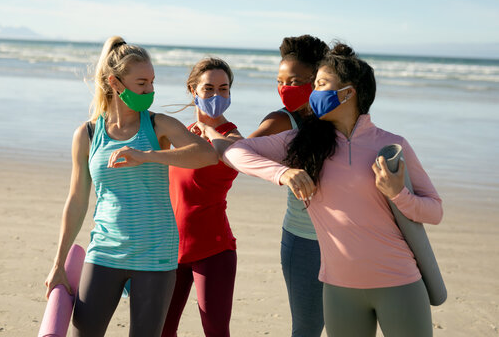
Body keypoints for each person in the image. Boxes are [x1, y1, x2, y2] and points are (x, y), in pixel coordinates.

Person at [223, 43, 443, 337]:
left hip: (398, 281)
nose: (314, 93)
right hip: (339, 289)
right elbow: (236, 152)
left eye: (321, 85)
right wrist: (283, 172)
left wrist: (397, 193)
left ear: (348, 93)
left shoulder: (391, 144)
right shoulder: (301, 144)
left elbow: (435, 211)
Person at [44, 36, 218, 337]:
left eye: (152, 82)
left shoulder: (159, 125)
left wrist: (147, 155)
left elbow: (206, 155)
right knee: (83, 332)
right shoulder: (87, 134)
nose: (150, 90)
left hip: (156, 252)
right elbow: (76, 199)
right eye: (142, 83)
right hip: (105, 250)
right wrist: (58, 263)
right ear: (115, 82)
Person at [248, 34, 329, 336]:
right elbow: (240, 152)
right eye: (280, 82)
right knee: (308, 329)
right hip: (305, 240)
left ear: (317, 79)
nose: (285, 89)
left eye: (295, 82)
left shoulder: (338, 119)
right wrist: (282, 173)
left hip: (349, 238)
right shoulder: (282, 121)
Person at [161, 58, 242, 337]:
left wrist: (208, 130)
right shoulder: (179, 134)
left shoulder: (233, 136)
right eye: (208, 89)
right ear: (192, 90)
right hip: (172, 250)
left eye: (224, 89)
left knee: (216, 332)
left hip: (214, 250)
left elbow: (224, 153)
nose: (217, 96)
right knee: (162, 330)